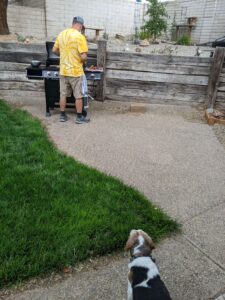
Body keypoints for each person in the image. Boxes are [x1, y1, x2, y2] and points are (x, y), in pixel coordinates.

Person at [53, 16, 89, 124]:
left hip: (63, 70)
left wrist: (63, 55)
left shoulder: (62, 34)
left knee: (63, 94)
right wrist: (82, 61)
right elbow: (83, 56)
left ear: (73, 23)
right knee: (78, 95)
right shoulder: (80, 36)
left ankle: (63, 115)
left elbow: (54, 50)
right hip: (75, 71)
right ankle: (79, 117)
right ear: (81, 26)